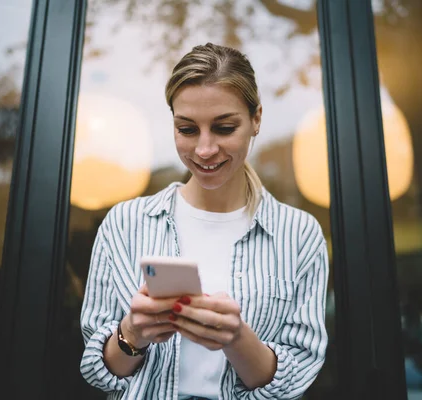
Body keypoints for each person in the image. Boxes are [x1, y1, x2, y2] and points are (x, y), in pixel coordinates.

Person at [80, 43, 329, 400]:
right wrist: (133, 333)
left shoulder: (299, 235)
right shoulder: (125, 224)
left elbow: (294, 379)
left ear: (256, 119)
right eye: (188, 129)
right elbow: (99, 373)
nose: (205, 149)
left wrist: (236, 338)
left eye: (224, 128)